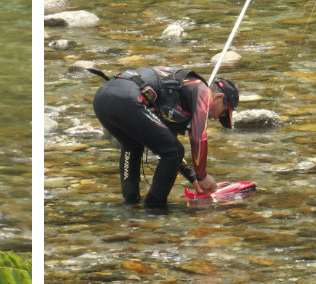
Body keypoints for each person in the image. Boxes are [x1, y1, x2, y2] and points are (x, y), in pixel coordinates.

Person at [91, 66, 238, 208]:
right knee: (174, 151)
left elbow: (169, 145)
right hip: (127, 98)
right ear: (219, 97)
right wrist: (202, 176)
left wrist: (193, 178)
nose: (216, 118)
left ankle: (131, 205)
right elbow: (197, 137)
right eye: (223, 113)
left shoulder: (181, 96)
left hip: (103, 98)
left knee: (133, 145)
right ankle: (154, 208)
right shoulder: (203, 91)